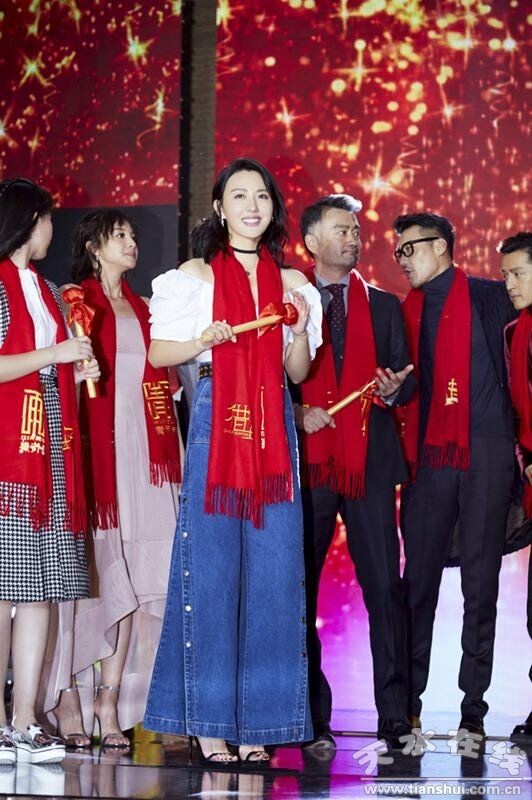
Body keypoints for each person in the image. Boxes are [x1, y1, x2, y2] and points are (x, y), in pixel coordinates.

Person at [143, 157, 322, 764]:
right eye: (239, 196)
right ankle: (209, 723)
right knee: (212, 572)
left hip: (273, 425)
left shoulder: (293, 282)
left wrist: (299, 329)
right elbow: (160, 351)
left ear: (273, 209)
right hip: (216, 421)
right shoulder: (192, 276)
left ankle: (260, 726)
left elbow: (298, 371)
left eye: (261, 196)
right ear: (220, 209)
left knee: (275, 577)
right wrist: (204, 338)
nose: (251, 206)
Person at [46, 209, 182, 749]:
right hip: (93, 454)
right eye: (118, 235)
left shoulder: (145, 307)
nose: (130, 242)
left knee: (139, 579)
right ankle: (69, 698)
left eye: (132, 234)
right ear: (93, 245)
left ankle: (111, 701)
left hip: (144, 453)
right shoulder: (71, 302)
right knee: (91, 579)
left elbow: (166, 381)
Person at [294, 194, 416, 750]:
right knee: (300, 590)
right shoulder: (291, 301)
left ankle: (394, 713)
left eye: (356, 231)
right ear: (312, 241)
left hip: (370, 463)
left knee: (384, 589)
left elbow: (406, 382)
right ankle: (310, 713)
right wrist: (297, 412)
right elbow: (272, 379)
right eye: (341, 230)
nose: (354, 239)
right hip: (310, 462)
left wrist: (393, 391)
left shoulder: (385, 306)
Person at [393, 212, 517, 738]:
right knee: (417, 585)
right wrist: (394, 390)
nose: (402, 260)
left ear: (441, 246)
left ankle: (473, 711)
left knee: (480, 588)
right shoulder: (403, 311)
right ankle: (407, 705)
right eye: (398, 252)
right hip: (430, 460)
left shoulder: (493, 297)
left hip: (488, 455)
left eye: (410, 249)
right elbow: (408, 386)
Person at [0, 178, 99, 763]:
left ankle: (24, 719)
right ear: (26, 221)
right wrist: (55, 355)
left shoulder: (51, 293)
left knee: (38, 590)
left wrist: (77, 369)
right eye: (46, 219)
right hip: (8, 457)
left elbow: (54, 368)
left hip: (50, 454)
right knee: (2, 592)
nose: (51, 230)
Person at [499, 231, 532, 742]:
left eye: (518, 273)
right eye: (505, 275)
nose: (509, 284)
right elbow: (517, 416)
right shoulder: (513, 333)